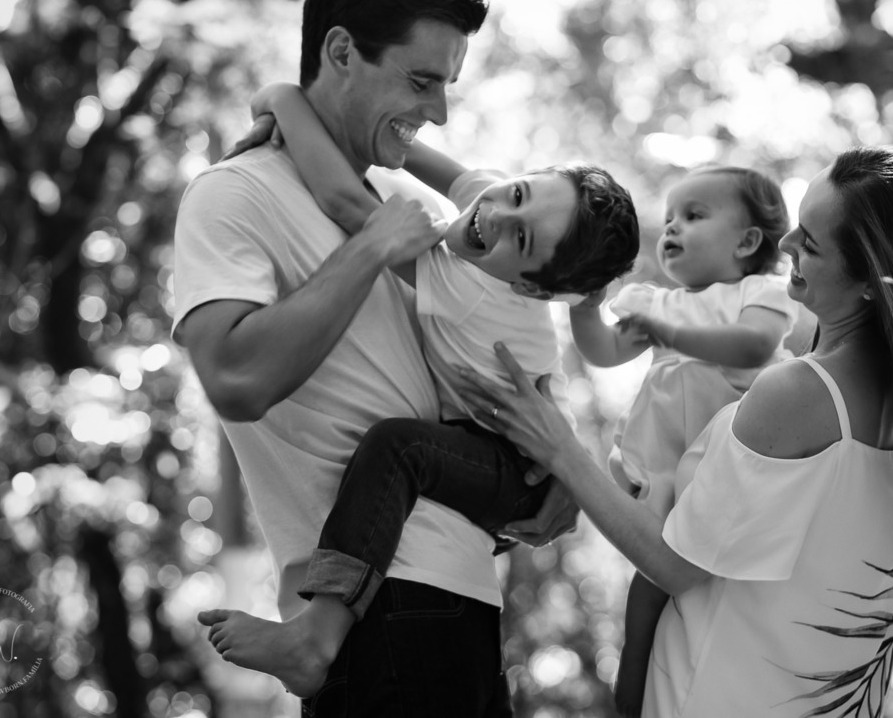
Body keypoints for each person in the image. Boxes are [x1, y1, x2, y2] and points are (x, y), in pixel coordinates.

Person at [457, 147, 893, 717]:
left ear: (873, 281)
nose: (784, 243)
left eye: (809, 243)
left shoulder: (801, 393)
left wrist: (559, 447)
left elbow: (674, 564)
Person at [174, 0, 571, 717]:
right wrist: (370, 248)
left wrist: (560, 467)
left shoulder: (412, 208)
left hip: (460, 602)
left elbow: (495, 357)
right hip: (378, 611)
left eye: (447, 85)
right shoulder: (234, 194)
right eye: (421, 80)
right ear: (341, 52)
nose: (440, 112)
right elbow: (235, 379)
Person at [196, 82, 640, 697]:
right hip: (487, 449)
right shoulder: (492, 198)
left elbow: (346, 202)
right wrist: (328, 117)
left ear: (532, 289)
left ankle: (318, 635)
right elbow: (400, 149)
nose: (498, 216)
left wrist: (285, 100)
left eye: (521, 240)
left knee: (399, 450)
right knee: (410, 451)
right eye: (518, 193)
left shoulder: (474, 291)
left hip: (517, 468)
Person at [568, 164, 797, 716]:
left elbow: (753, 345)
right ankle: (633, 681)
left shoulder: (761, 293)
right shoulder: (659, 304)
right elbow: (603, 352)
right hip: (664, 475)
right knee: (650, 584)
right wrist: (584, 306)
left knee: (724, 595)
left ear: (746, 242)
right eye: (670, 217)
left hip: (730, 478)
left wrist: (673, 335)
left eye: (693, 216)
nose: (671, 227)